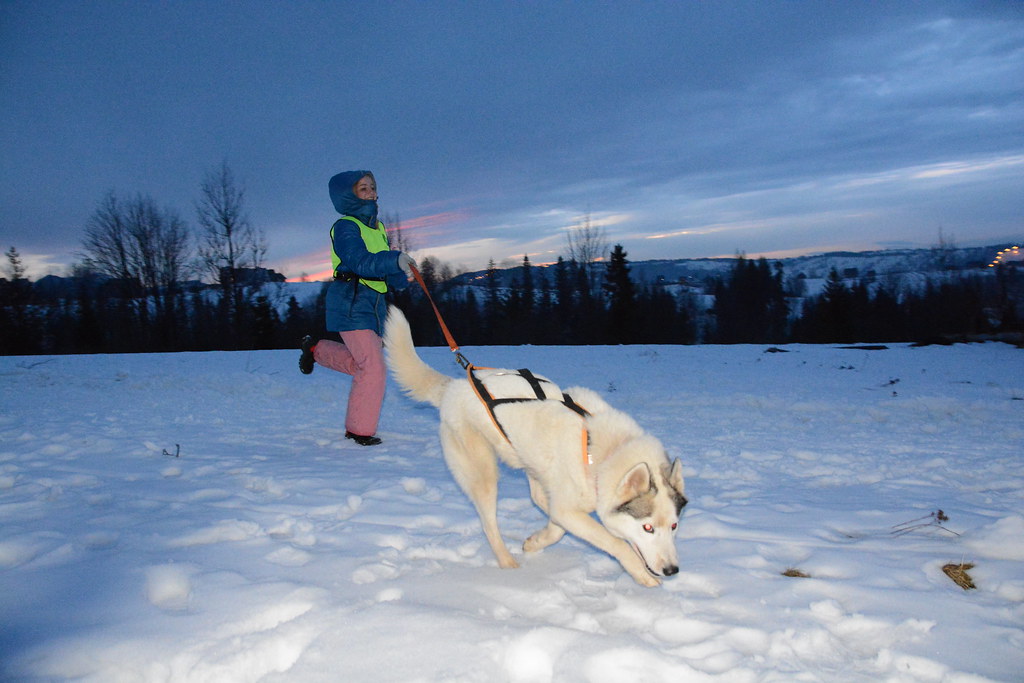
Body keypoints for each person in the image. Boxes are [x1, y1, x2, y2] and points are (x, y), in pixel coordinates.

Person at [299, 170, 416, 446]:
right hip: (350, 299)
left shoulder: (379, 227)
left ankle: (316, 349)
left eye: (373, 187)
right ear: (347, 196)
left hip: (373, 305)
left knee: (363, 365)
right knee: (373, 368)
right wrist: (393, 259)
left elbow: (380, 268)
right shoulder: (345, 226)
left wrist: (399, 273)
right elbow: (360, 261)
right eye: (363, 188)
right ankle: (359, 431)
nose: (371, 192)